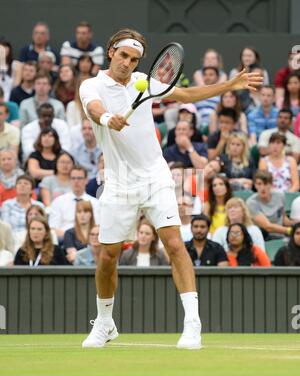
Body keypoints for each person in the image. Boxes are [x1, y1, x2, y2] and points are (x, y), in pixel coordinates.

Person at [79, 28, 262, 349]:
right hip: (119, 183)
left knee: (175, 243)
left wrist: (230, 85)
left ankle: (193, 324)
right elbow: (94, 108)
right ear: (110, 52)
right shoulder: (91, 85)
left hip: (155, 177)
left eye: (134, 59)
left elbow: (187, 95)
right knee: (108, 255)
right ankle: (105, 323)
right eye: (123, 55)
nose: (128, 62)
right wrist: (108, 118)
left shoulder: (145, 82)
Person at [49, 165, 99, 241]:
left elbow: (98, 226)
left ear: (86, 180)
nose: (76, 181)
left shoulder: (95, 203)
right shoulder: (58, 201)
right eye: (73, 178)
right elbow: (53, 227)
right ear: (69, 180)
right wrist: (69, 237)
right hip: (64, 239)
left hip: (89, 239)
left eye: (79, 178)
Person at [246, 170, 294, 240]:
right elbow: (268, 227)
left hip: (282, 236)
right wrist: (290, 231)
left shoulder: (280, 195)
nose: (262, 188)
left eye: (265, 184)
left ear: (271, 184)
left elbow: (284, 220)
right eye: (259, 184)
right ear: (255, 185)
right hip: (264, 238)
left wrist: (296, 224)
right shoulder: (251, 203)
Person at [194, 66, 220, 135]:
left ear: (217, 77)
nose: (207, 77)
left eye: (211, 75)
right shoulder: (196, 93)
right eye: (205, 75)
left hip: (216, 126)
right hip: (197, 127)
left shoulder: (222, 94)